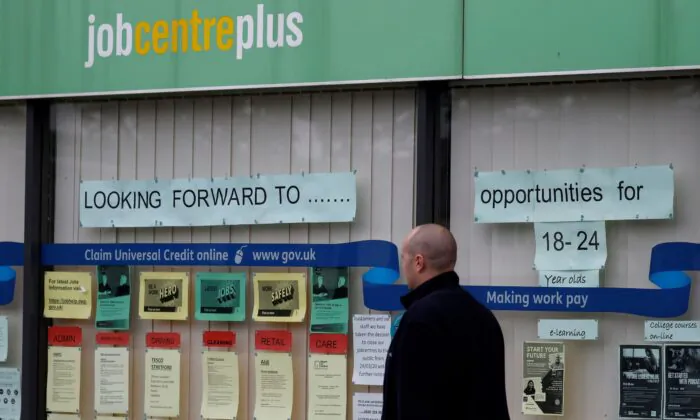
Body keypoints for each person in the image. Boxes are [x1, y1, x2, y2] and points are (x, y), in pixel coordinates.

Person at [382, 224, 510, 420]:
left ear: (418, 262)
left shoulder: (420, 320)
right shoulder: (484, 317)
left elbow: (413, 405)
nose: (403, 266)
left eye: (403, 258)